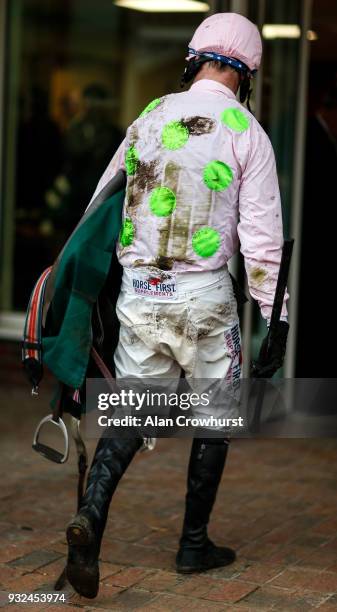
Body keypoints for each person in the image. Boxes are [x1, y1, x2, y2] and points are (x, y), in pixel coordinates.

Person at [65, 13, 289, 598]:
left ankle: (90, 518)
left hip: (142, 296)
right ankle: (193, 544)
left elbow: (101, 204)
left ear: (194, 59)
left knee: (133, 415)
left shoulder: (150, 116)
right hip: (206, 300)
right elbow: (263, 244)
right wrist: (277, 322)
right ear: (248, 72)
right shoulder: (248, 132)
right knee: (216, 416)